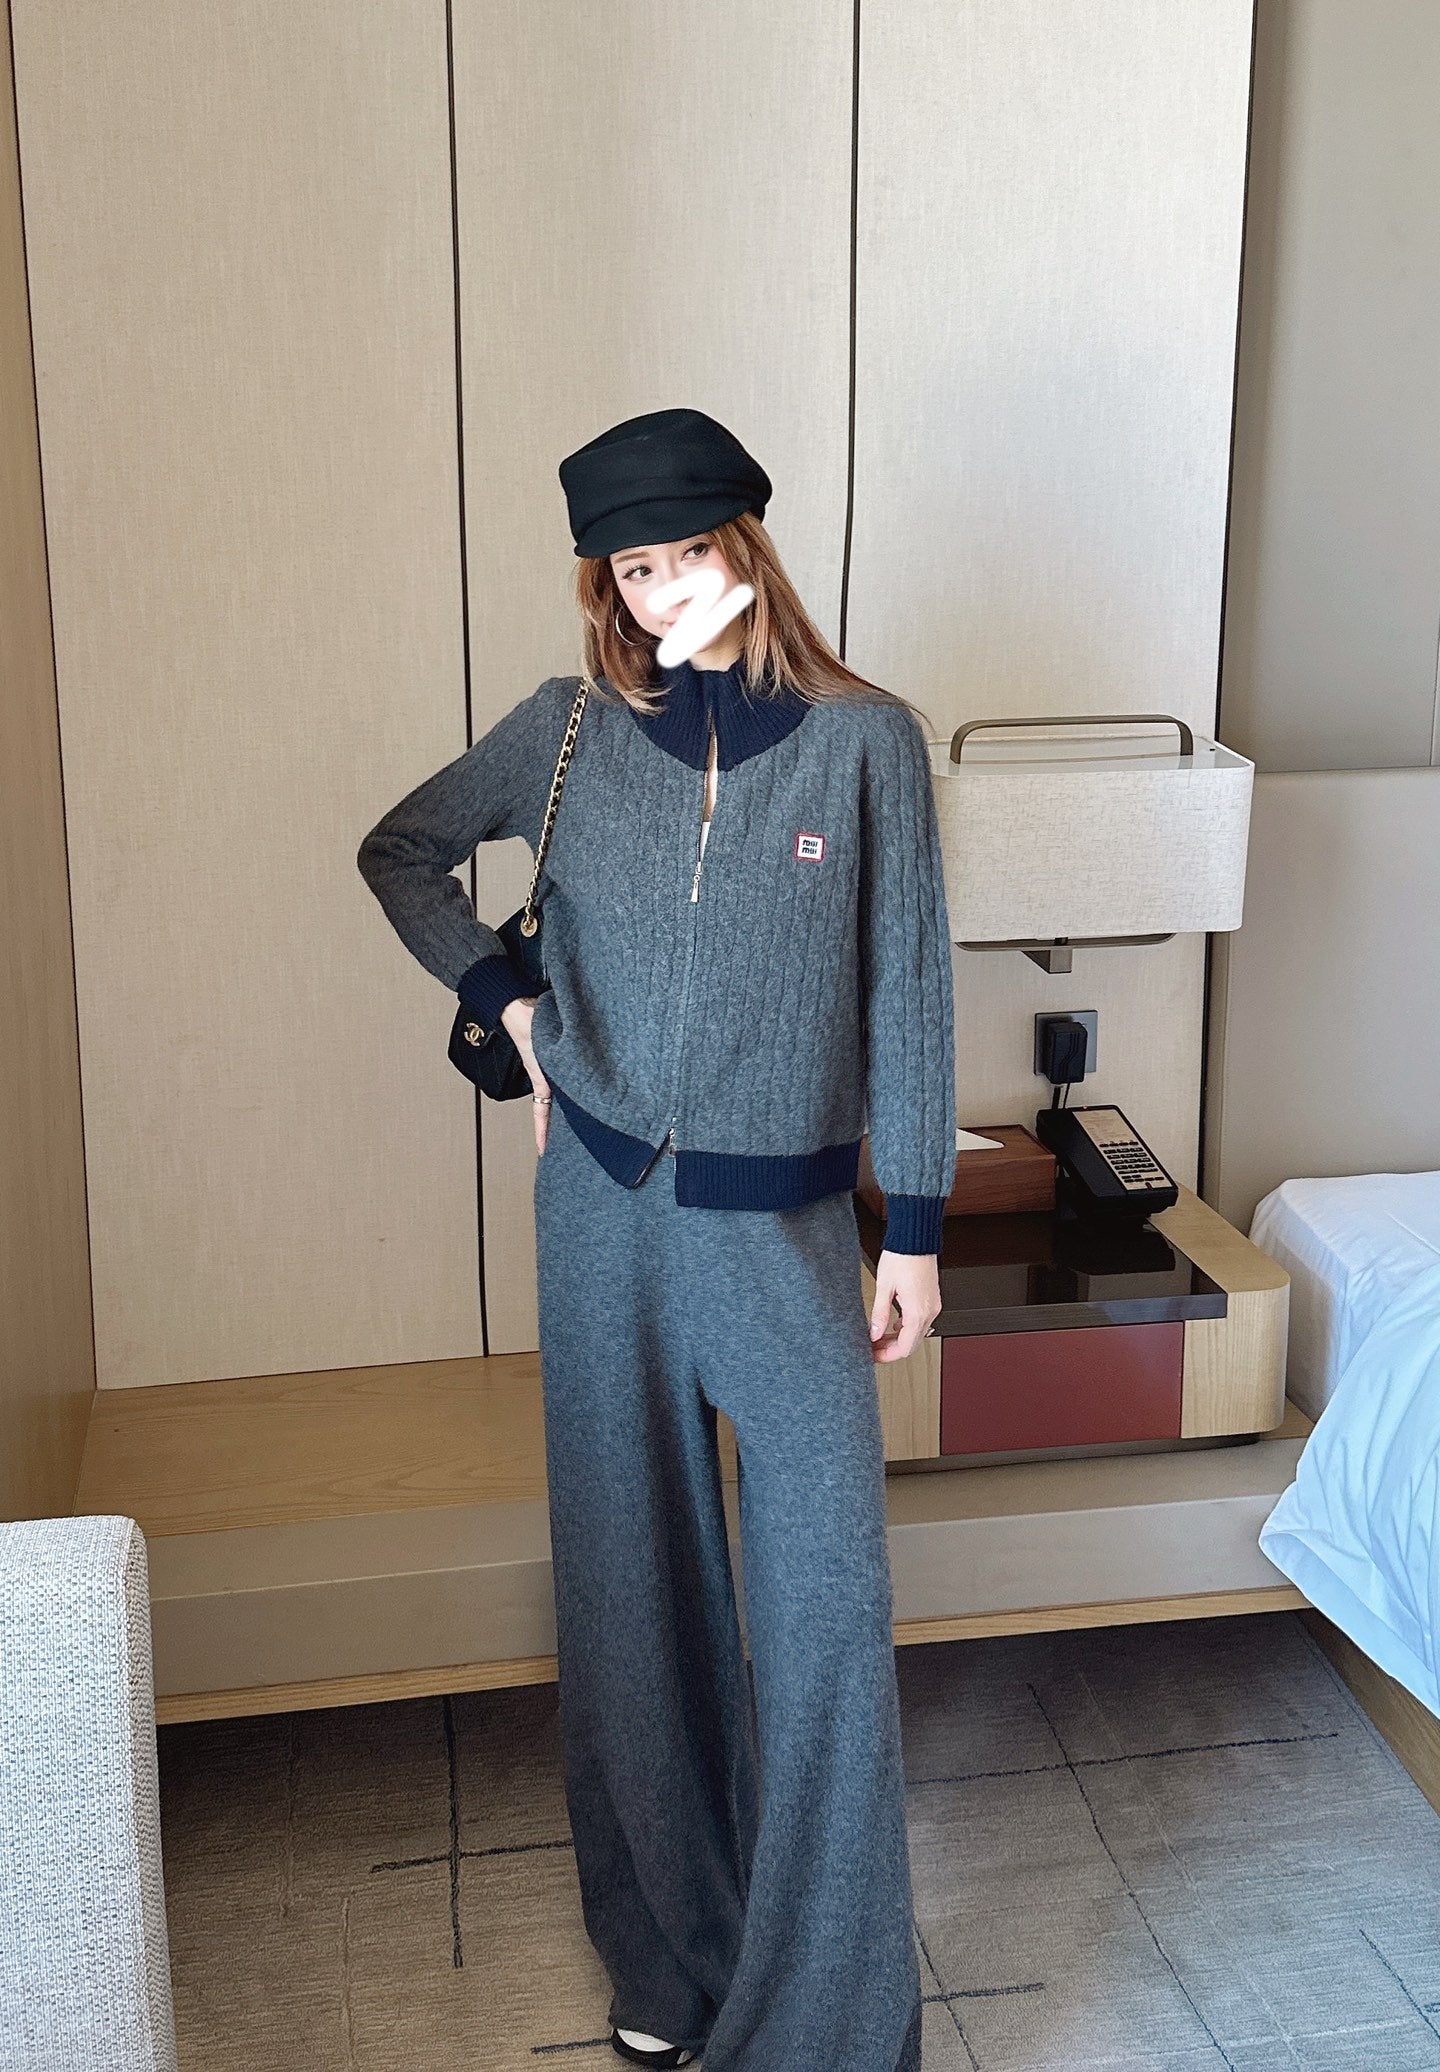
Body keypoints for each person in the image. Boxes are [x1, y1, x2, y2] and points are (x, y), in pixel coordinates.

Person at [356, 406, 956, 2071]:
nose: (667, 588)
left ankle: (827, 2026)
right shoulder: (564, 733)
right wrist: (511, 1001)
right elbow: (399, 853)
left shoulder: (866, 744)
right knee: (632, 1598)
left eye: (691, 553)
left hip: (785, 1240)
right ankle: (670, 1964)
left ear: (745, 547)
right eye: (635, 567)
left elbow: (911, 990)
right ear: (604, 586)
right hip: (603, 1219)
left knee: (827, 1620)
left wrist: (914, 1230)